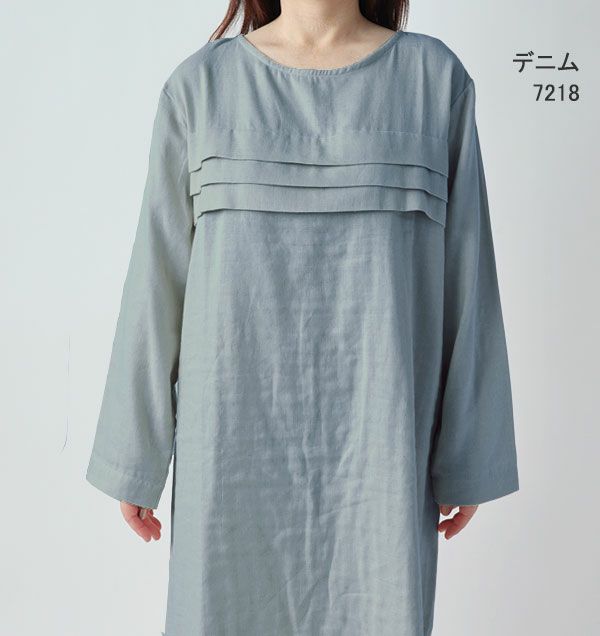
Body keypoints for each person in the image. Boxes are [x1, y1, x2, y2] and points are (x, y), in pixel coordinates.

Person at [86, 1, 520, 634]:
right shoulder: (200, 88)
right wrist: (136, 455)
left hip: (382, 460)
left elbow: (468, 277)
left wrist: (468, 456)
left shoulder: (434, 83)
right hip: (228, 462)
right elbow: (158, 281)